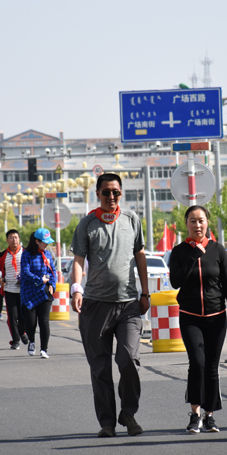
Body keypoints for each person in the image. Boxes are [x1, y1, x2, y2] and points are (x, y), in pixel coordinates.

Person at [71, 173, 149, 438]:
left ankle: (129, 413)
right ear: (98, 194)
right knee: (100, 367)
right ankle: (107, 422)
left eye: (116, 192)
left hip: (128, 304)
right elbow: (79, 260)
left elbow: (140, 254)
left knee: (128, 359)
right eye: (107, 192)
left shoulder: (131, 219)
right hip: (95, 306)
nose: (112, 197)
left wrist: (145, 293)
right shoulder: (87, 224)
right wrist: (76, 288)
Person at [169, 205, 227, 434]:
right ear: (186, 224)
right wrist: (194, 256)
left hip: (216, 317)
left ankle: (210, 415)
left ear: (207, 222)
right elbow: (176, 282)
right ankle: (195, 414)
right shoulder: (180, 251)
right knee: (197, 364)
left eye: (201, 220)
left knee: (211, 366)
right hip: (190, 317)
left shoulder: (218, 250)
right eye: (192, 221)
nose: (197, 225)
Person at [21, 228, 57, 358]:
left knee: (44, 321)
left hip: (44, 292)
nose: (46, 244)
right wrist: (39, 279)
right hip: (30, 292)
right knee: (31, 322)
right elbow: (25, 272)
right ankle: (32, 341)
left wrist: (52, 284)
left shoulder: (47, 254)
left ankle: (44, 349)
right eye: (44, 242)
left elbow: (53, 271)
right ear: (37, 241)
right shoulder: (26, 254)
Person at [0, 229, 27, 349]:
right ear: (7, 240)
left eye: (16, 237)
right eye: (11, 237)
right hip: (9, 290)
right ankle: (16, 340)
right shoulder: (2, 255)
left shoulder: (26, 252)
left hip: (25, 290)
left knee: (24, 315)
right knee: (12, 317)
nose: (14, 240)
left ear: (19, 239)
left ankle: (22, 332)